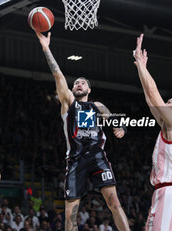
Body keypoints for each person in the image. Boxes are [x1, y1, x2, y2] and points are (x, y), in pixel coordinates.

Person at [36, 31, 130, 231]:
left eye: (82, 82)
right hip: (76, 159)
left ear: (89, 89)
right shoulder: (68, 103)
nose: (78, 84)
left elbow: (114, 120)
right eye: (76, 82)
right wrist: (46, 48)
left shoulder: (98, 106)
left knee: (114, 203)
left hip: (97, 156)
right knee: (71, 212)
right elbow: (57, 74)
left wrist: (119, 127)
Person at [133, 34, 172, 231]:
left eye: (169, 103)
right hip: (163, 191)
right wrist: (141, 68)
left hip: (171, 191)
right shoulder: (169, 126)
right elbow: (150, 100)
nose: (165, 104)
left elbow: (153, 92)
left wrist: (142, 65)